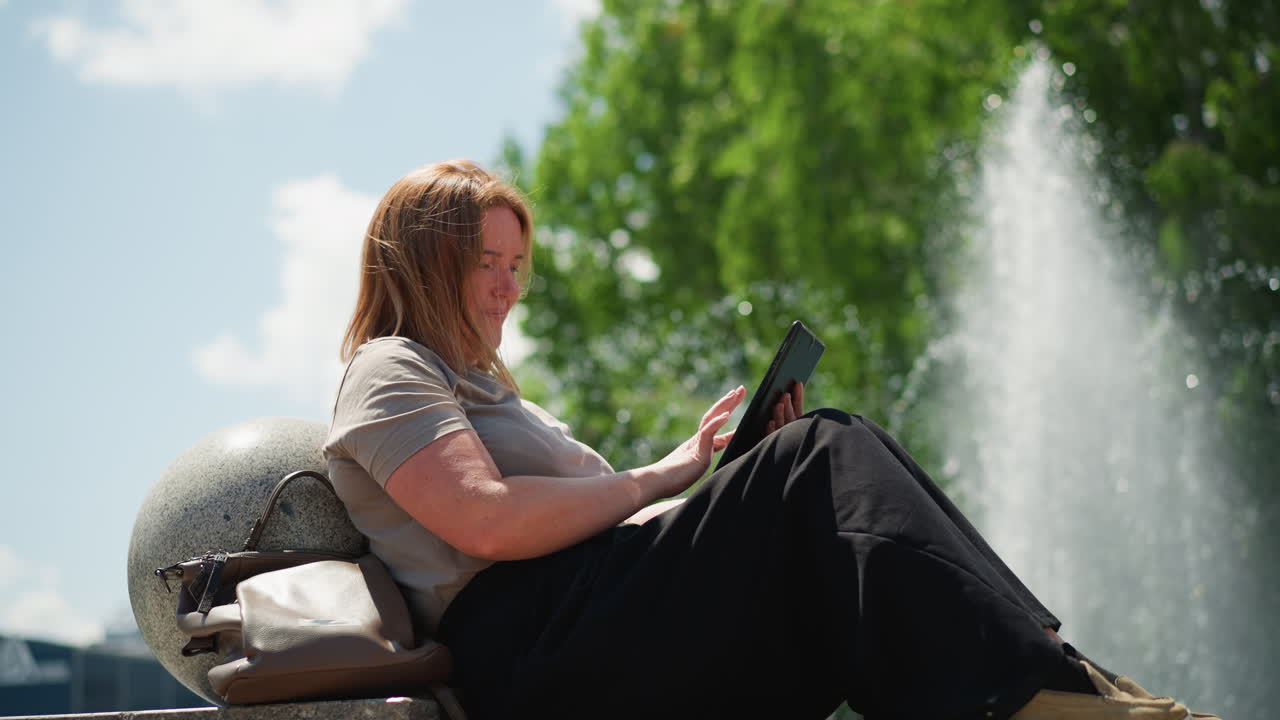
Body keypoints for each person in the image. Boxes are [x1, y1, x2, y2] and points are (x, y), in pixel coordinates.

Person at [324, 160, 1215, 720]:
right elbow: (486, 523)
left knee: (842, 469)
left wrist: (738, 481)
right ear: (424, 257)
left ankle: (1060, 680)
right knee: (822, 453)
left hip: (589, 620)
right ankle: (1043, 701)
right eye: (487, 261)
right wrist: (667, 475)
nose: (509, 287)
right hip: (535, 652)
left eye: (518, 265)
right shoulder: (392, 366)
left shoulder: (484, 388)